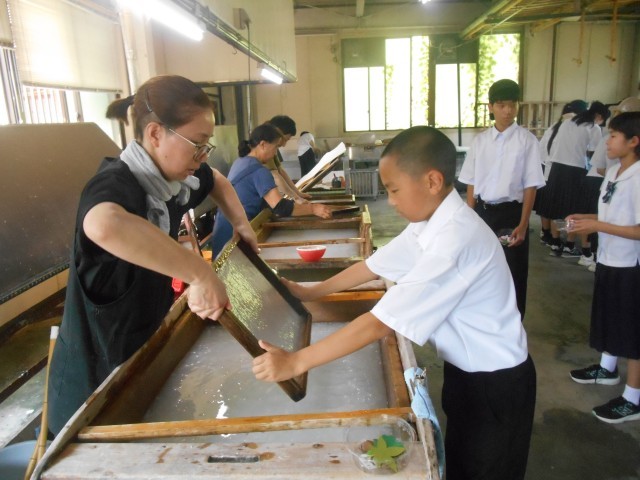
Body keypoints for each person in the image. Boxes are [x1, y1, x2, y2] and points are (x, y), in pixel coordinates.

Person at [253, 126, 536, 480]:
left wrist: (297, 362)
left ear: (432, 181)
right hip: (467, 373)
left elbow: (379, 323)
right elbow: (374, 266)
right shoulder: (430, 223)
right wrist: (310, 292)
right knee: (462, 462)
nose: (390, 201)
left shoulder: (455, 240)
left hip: (496, 383)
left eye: (394, 190)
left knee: (486, 469)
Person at [47, 75, 258, 435]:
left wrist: (242, 226)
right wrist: (200, 273)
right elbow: (103, 224)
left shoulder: (170, 184)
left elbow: (216, 180)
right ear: (156, 134)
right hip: (93, 391)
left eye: (206, 146)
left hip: (140, 357)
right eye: (197, 144)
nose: (203, 157)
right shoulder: (116, 184)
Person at [567, 112, 640, 424]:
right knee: (609, 317)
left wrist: (597, 226)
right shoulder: (613, 172)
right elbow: (611, 217)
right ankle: (607, 368)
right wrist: (586, 220)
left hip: (630, 265)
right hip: (609, 259)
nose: (607, 142)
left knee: (633, 331)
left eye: (613, 136)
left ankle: (633, 398)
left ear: (634, 141)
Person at [458, 79, 545, 320]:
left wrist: (524, 224)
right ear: (491, 107)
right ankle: (484, 318)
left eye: (512, 105)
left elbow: (530, 185)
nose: (507, 111)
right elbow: (471, 182)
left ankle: (513, 321)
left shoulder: (527, 141)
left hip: (513, 214)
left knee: (513, 270)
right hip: (484, 213)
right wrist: (470, 217)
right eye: (501, 105)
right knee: (481, 268)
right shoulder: (480, 141)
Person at [210, 123, 333, 255]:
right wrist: (313, 209)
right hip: (233, 236)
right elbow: (280, 207)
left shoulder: (240, 161)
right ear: (263, 144)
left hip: (223, 230)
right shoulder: (259, 170)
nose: (275, 153)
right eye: (275, 148)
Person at [540, 101, 606, 257]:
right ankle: (569, 245)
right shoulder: (593, 127)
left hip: (556, 169)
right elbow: (594, 153)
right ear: (598, 116)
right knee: (572, 210)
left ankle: (555, 242)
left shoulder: (566, 123)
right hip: (575, 170)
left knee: (557, 208)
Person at [535, 100, 588, 246]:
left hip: (547, 170)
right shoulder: (582, 126)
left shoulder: (555, 126)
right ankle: (567, 243)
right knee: (566, 209)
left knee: (548, 207)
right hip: (562, 172)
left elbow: (542, 150)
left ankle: (549, 236)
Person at [265, 115, 312, 203]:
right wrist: (296, 198)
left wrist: (298, 193)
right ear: (277, 133)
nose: (284, 145)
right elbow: (276, 176)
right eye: (285, 140)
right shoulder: (267, 147)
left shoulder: (271, 147)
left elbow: (281, 171)